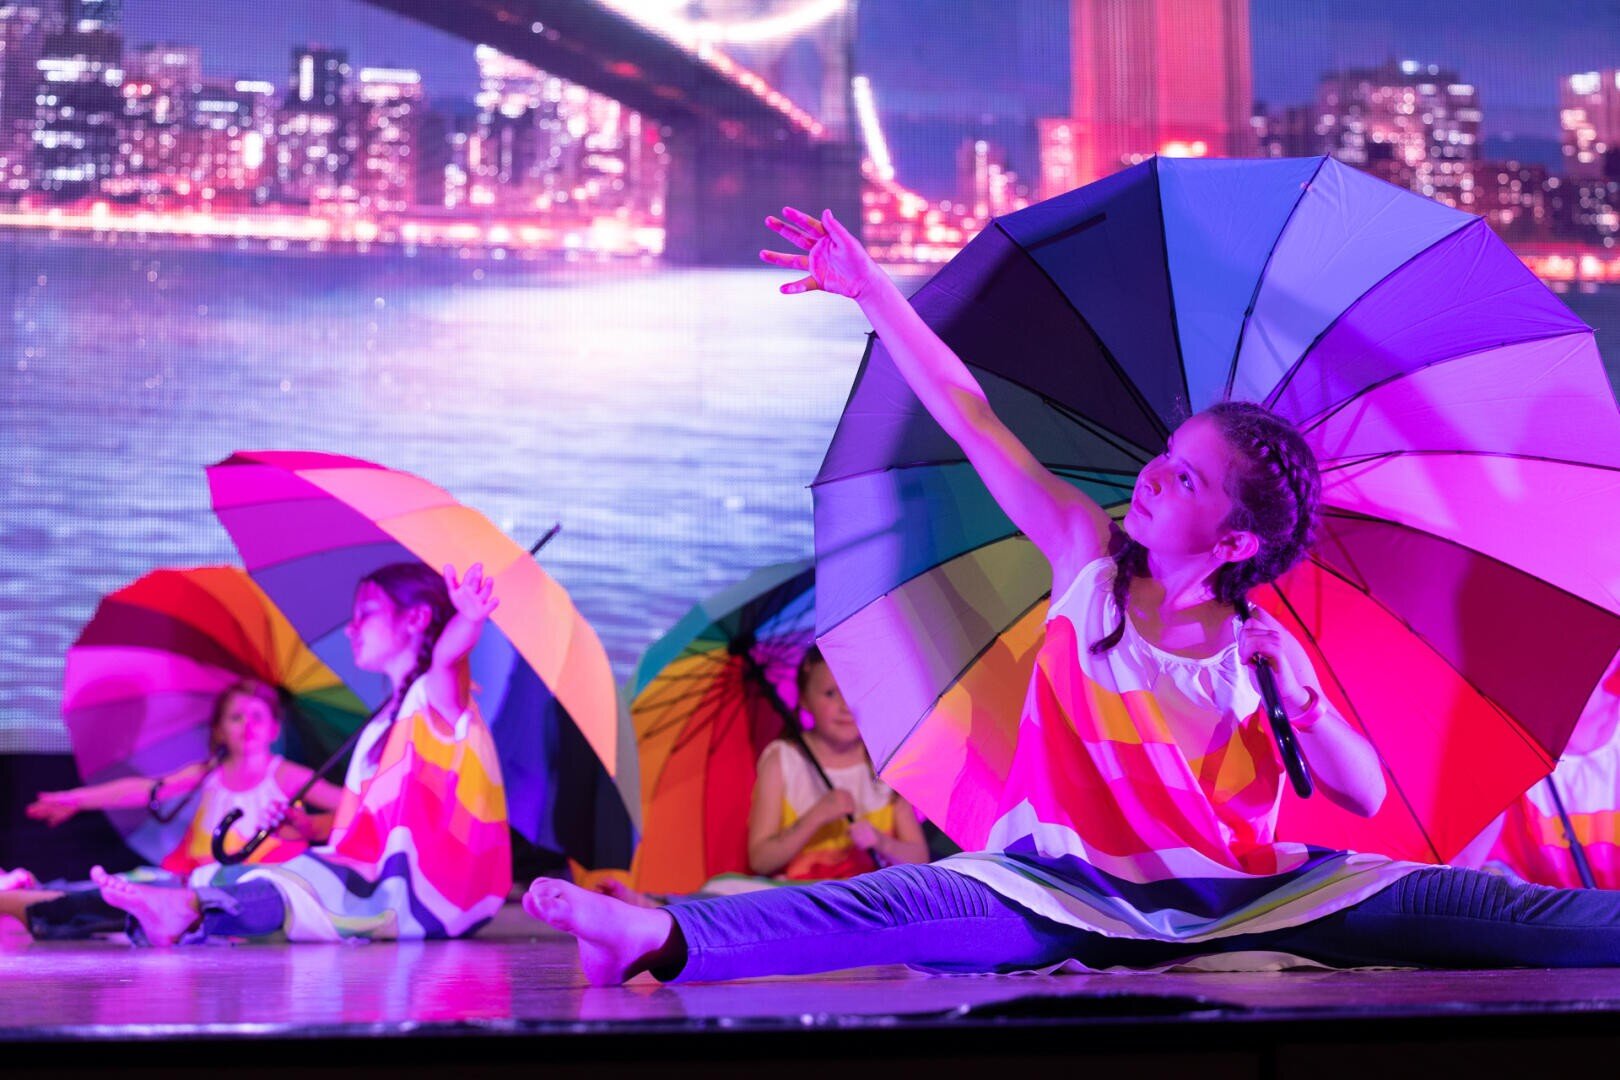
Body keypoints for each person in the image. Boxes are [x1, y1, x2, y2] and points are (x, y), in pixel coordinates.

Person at [521, 206, 1620, 985]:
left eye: (1184, 476)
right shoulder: (1084, 562)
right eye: (1167, 453)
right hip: (1069, 887)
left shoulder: (1260, 643)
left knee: (1509, 918)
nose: (1152, 472)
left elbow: (1362, 789)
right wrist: (872, 295)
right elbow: (971, 414)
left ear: (1234, 536)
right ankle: (654, 936)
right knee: (885, 909)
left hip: (1257, 893)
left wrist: (1309, 704)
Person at [84, 562, 512, 946]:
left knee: (304, 879)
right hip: (374, 869)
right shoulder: (384, 723)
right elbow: (367, 820)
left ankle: (187, 912)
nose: (351, 627)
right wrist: (308, 825)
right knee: (250, 869)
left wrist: (467, 621)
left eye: (366, 612)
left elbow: (447, 661)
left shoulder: (433, 697)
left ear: (416, 619)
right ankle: (181, 912)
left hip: (424, 891)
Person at [25, 678, 341, 876]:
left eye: (257, 716)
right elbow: (143, 791)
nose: (247, 725)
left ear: (274, 729)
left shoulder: (287, 776)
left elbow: (351, 806)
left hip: (266, 879)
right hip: (203, 879)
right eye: (236, 717)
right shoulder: (208, 775)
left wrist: (309, 826)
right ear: (219, 730)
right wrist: (77, 799)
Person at [747, 646, 929, 880]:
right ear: (804, 699)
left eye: (855, 692)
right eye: (831, 693)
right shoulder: (783, 761)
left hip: (868, 895)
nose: (845, 707)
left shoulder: (882, 759)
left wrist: (882, 842)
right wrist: (816, 816)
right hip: (803, 897)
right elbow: (760, 859)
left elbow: (920, 856)